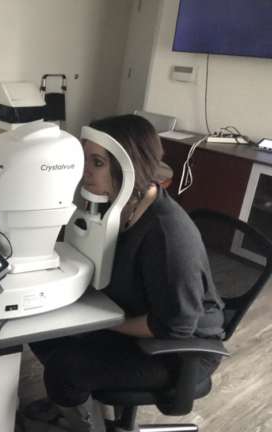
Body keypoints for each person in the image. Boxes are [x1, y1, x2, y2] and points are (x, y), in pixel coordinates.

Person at [28, 114, 225, 430]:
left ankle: (80, 416)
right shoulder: (118, 206)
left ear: (129, 167)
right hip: (132, 314)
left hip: (178, 350)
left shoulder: (166, 234)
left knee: (66, 367)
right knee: (40, 329)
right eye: (85, 160)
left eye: (97, 163)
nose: (85, 173)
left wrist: (104, 326)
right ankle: (75, 399)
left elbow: (175, 325)